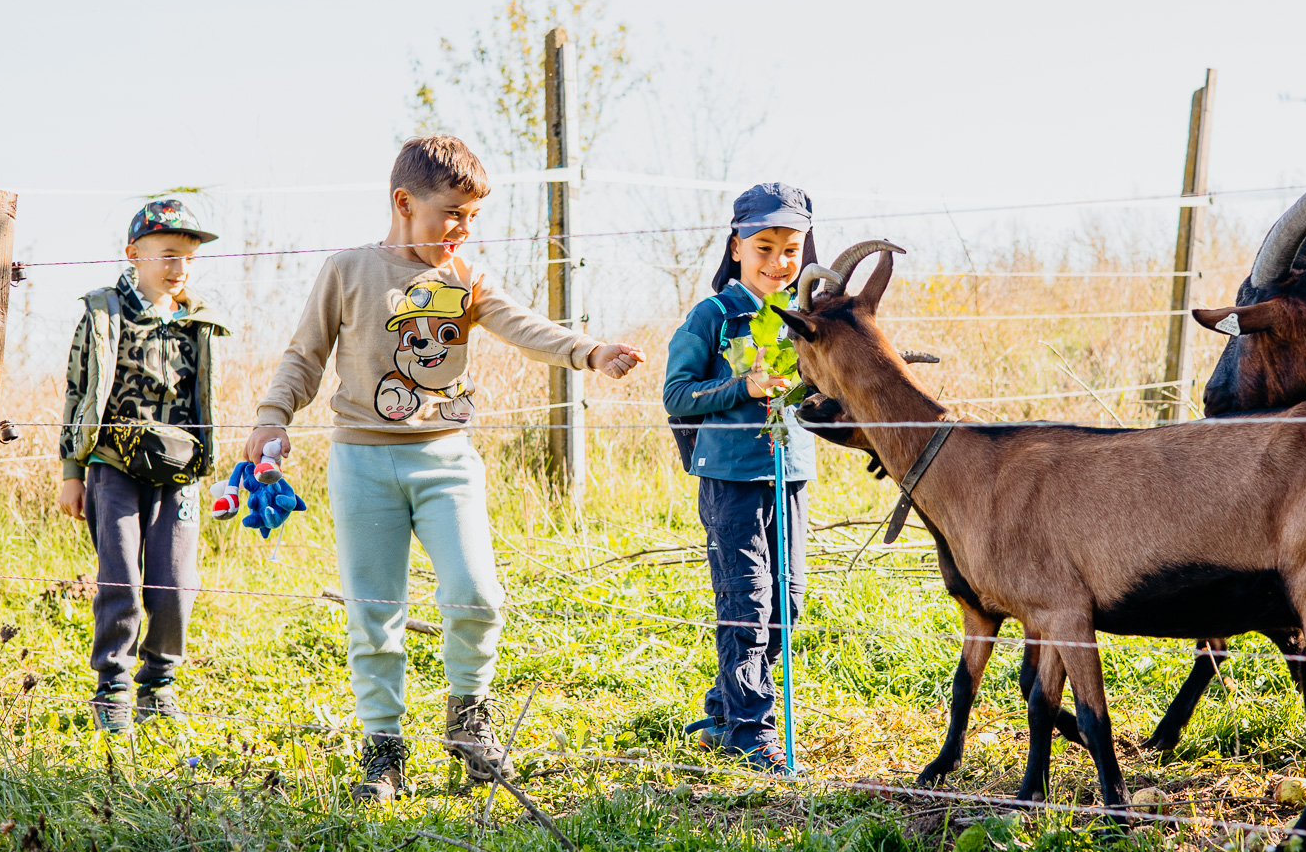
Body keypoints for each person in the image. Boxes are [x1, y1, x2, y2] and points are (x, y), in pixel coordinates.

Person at [247, 134, 644, 803]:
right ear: (405, 203)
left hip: (446, 461)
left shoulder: (465, 278)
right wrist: (271, 417)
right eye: (451, 214)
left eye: (472, 218)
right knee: (375, 611)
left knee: (477, 594)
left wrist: (589, 350)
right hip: (362, 462)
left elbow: (523, 325)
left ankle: (468, 721)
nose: (462, 230)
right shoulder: (348, 270)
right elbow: (304, 356)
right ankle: (385, 752)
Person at [662, 183, 818, 771]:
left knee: (788, 601)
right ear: (736, 247)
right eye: (764, 247)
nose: (779, 262)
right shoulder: (715, 315)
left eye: (791, 249)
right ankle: (754, 733)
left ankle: (724, 713)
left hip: (792, 474)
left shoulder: (804, 320)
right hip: (732, 481)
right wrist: (742, 387)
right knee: (745, 600)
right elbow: (677, 393)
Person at [58, 197, 228, 733]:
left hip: (178, 471)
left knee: (175, 587)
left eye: (189, 259)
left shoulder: (196, 319)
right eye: (169, 255)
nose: (180, 269)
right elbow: (77, 389)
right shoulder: (105, 312)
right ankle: (113, 688)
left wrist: (210, 465)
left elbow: (204, 397)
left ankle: (160, 684)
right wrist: (71, 471)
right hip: (113, 468)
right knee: (121, 581)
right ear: (134, 253)